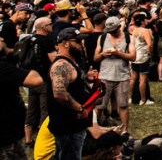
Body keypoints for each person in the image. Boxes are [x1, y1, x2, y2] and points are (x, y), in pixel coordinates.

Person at [48, 28, 93, 160]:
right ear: (65, 43)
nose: (81, 44)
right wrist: (80, 109)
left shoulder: (71, 62)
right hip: (68, 125)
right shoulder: (61, 65)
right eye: (77, 42)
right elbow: (59, 93)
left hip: (74, 125)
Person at [0, 35, 44, 159]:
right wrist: (29, 60)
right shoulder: (2, 69)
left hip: (9, 133)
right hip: (5, 137)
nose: (2, 39)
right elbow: (35, 79)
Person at [94, 16, 136, 130]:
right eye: (109, 31)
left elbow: (133, 56)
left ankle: (124, 131)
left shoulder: (128, 38)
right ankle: (95, 130)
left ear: (119, 27)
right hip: (104, 76)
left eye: (114, 31)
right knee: (100, 105)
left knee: (123, 105)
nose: (112, 33)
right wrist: (103, 54)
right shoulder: (102, 38)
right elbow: (95, 57)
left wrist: (119, 54)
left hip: (122, 77)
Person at [25, 16, 57, 147]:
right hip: (44, 80)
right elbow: (54, 60)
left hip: (32, 79)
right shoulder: (46, 41)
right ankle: (42, 141)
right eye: (49, 24)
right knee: (45, 111)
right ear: (44, 27)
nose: (51, 26)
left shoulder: (30, 39)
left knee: (31, 110)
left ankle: (28, 140)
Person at [129, 12, 153, 105]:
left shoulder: (134, 30)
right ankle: (143, 99)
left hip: (135, 55)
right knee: (143, 79)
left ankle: (130, 97)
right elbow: (149, 44)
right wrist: (151, 53)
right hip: (143, 56)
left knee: (133, 78)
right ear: (142, 21)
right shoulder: (145, 31)